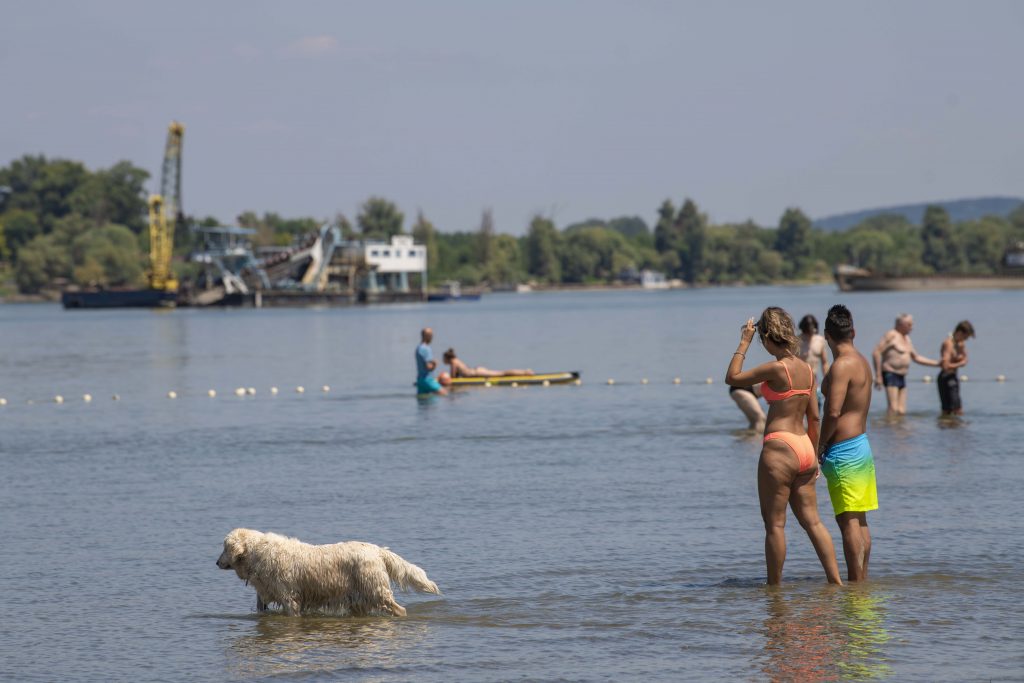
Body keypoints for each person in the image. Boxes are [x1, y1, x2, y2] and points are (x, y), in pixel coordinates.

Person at [726, 306, 843, 586]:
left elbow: (732, 378)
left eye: (760, 341)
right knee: (813, 522)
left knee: (775, 525)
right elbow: (815, 417)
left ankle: (774, 590)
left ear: (767, 338)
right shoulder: (807, 369)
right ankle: (836, 582)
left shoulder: (775, 368)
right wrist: (815, 456)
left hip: (779, 447)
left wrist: (743, 341)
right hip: (804, 446)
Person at [818, 304, 876, 582]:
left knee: (848, 521)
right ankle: (861, 581)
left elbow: (832, 412)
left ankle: (855, 583)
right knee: (860, 518)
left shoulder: (841, 366)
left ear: (827, 336)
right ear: (853, 331)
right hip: (862, 446)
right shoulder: (862, 360)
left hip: (844, 450)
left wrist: (819, 445)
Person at [871, 313, 939, 415]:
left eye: (912, 325)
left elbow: (916, 357)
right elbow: (876, 352)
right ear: (900, 324)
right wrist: (878, 375)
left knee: (902, 411)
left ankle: (898, 429)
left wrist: (938, 363)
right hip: (890, 373)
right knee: (893, 408)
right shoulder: (891, 335)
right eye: (909, 325)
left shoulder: (906, 338)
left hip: (902, 375)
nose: (912, 328)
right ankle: (890, 428)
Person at [937, 320, 975, 416]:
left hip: (953, 376)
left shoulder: (959, 344)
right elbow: (945, 365)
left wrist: (962, 352)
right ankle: (952, 428)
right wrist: (960, 363)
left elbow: (965, 357)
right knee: (954, 409)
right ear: (959, 333)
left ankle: (952, 426)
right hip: (946, 377)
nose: (966, 339)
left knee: (955, 408)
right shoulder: (948, 344)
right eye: (966, 337)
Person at [442, 348, 534, 379]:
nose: (443, 361)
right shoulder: (456, 360)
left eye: (444, 359)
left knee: (503, 374)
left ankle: (526, 372)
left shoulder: (453, 362)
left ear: (447, 358)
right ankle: (525, 372)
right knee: (502, 373)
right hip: (477, 371)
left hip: (477, 373)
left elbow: (453, 378)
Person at [415, 328, 446, 395]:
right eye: (431, 335)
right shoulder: (426, 348)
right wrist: (435, 364)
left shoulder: (418, 348)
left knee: (423, 402)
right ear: (427, 336)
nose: (432, 337)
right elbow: (428, 367)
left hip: (420, 380)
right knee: (444, 393)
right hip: (428, 380)